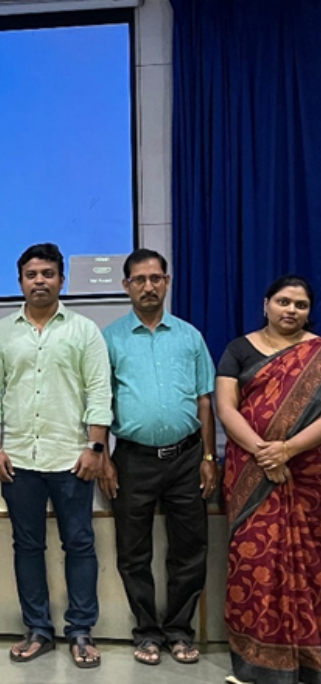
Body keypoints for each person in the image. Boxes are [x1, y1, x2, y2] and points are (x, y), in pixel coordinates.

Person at [0, 242, 112, 669]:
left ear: (61, 280)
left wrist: (95, 448)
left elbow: (99, 392)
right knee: (27, 546)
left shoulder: (84, 331)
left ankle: (81, 630)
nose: (40, 281)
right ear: (20, 281)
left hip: (72, 459)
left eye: (48, 274)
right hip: (18, 460)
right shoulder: (1, 333)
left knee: (80, 544)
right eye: (32, 275)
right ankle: (37, 629)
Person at [102, 249, 218, 666]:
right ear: (126, 286)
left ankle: (180, 632)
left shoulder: (189, 336)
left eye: (156, 278)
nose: (148, 287)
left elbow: (204, 401)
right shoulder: (110, 339)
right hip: (132, 461)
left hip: (187, 458)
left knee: (190, 548)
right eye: (139, 280)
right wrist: (104, 458)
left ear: (167, 282)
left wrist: (209, 456)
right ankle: (147, 633)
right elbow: (98, 403)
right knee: (133, 553)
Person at [216, 275, 321, 684]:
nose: (291, 310)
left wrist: (287, 450)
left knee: (310, 563)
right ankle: (255, 665)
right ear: (266, 305)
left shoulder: (317, 352)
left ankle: (309, 664)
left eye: (300, 305)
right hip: (250, 473)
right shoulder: (238, 349)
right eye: (283, 301)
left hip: (307, 474)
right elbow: (227, 408)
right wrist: (265, 452)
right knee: (253, 562)